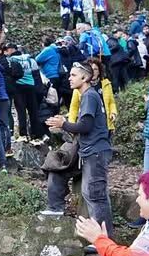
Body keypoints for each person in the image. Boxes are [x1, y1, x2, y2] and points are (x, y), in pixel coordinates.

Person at [42, 60, 113, 231]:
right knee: (90, 193)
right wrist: (62, 125)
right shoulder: (88, 95)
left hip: (96, 152)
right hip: (90, 151)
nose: (69, 78)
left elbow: (86, 126)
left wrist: (63, 124)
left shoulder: (89, 95)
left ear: (85, 77)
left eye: (73, 75)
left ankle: (104, 237)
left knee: (95, 195)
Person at [7, 43, 43, 141]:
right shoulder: (30, 59)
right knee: (33, 110)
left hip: (18, 87)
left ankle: (23, 134)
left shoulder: (11, 60)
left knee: (21, 111)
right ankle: (36, 134)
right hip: (31, 86)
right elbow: (36, 74)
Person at [35, 35, 64, 103]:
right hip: (57, 74)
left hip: (50, 75)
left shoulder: (48, 49)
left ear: (43, 43)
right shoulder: (56, 49)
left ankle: (51, 111)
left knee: (50, 97)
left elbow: (37, 59)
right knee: (56, 96)